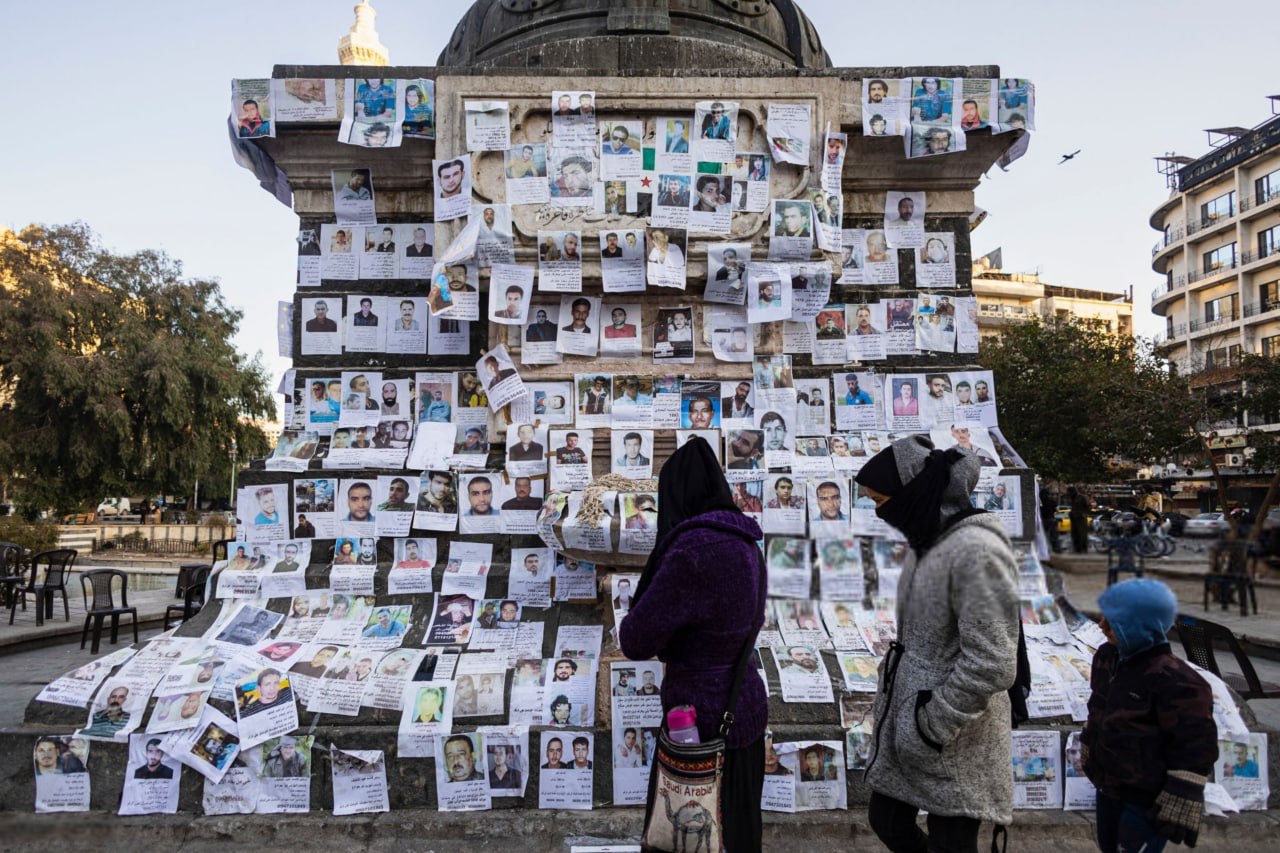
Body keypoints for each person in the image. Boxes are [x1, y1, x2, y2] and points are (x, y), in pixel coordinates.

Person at [853, 435, 1019, 853]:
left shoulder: (975, 550)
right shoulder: (932, 539)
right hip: (913, 722)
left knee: (953, 841)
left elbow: (993, 661)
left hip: (953, 737)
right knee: (887, 818)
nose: (879, 510)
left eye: (881, 500)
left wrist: (933, 724)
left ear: (910, 496)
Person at [620, 436, 766, 852]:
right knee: (738, 831)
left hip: (698, 723)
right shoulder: (746, 541)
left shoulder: (691, 550)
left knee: (685, 835)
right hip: (745, 706)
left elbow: (635, 639)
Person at [1083, 579, 1216, 851]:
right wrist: (1089, 741)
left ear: (1141, 625)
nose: (1101, 626)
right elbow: (1098, 706)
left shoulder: (1178, 681)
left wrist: (1185, 791)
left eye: (1113, 620)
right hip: (1108, 786)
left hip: (1146, 798)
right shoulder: (1107, 658)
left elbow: (1195, 744)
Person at [1068, 486, 1090, 554]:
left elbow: (1088, 507)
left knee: (1082, 534)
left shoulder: (1082, 497)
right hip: (1074, 519)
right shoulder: (1071, 498)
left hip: (1081, 519)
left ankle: (1084, 549)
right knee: (1074, 534)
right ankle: (1077, 549)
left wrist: (1084, 514)